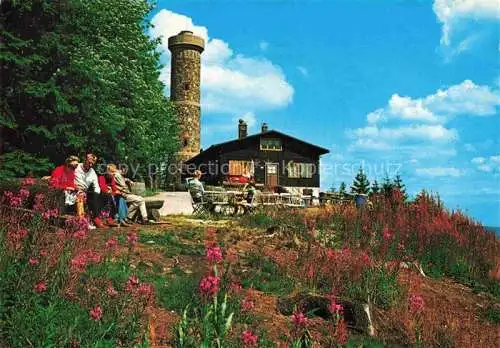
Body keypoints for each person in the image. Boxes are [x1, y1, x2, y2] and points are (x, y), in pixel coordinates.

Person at [74, 153, 105, 228]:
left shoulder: (92, 172)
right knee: (82, 195)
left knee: (99, 194)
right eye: (89, 162)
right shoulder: (76, 167)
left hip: (85, 191)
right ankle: (83, 222)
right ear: (85, 160)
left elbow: (96, 186)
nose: (91, 165)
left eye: (92, 163)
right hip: (74, 189)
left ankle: (96, 218)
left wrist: (96, 194)